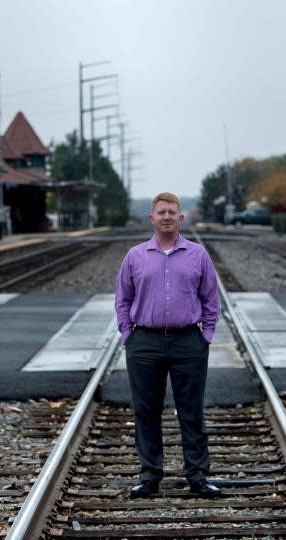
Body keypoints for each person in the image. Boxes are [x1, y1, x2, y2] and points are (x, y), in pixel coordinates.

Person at [114, 192, 222, 499]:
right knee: (146, 411)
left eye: (172, 212)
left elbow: (211, 299)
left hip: (188, 340)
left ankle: (198, 476)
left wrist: (206, 336)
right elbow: (123, 299)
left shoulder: (198, 255)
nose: (166, 216)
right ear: (152, 218)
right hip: (144, 342)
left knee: (191, 410)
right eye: (161, 212)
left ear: (180, 218)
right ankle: (149, 476)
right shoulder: (135, 256)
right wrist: (128, 334)